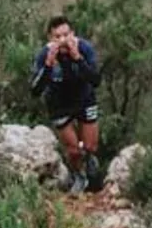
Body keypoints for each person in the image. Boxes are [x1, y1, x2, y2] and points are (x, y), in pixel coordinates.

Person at [30, 16, 103, 192]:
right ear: (50, 38)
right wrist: (48, 65)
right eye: (57, 37)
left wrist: (77, 57)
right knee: (73, 150)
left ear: (73, 34)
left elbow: (95, 80)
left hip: (84, 98)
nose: (63, 40)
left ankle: (91, 160)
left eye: (66, 35)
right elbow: (35, 90)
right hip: (59, 103)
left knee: (90, 146)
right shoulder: (43, 55)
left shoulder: (84, 48)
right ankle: (78, 175)